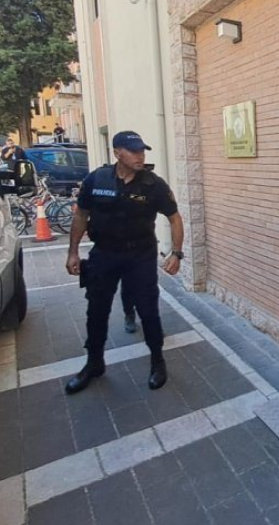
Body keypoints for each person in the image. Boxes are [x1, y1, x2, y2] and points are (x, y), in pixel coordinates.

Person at [64, 131, 184, 394]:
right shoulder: (97, 179)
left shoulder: (153, 184)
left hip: (140, 255)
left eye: (142, 151)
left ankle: (157, 361)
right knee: (96, 310)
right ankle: (94, 363)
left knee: (148, 310)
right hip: (104, 254)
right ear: (118, 153)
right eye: (134, 151)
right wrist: (73, 252)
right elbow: (81, 215)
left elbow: (174, 217)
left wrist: (176, 253)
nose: (140, 156)